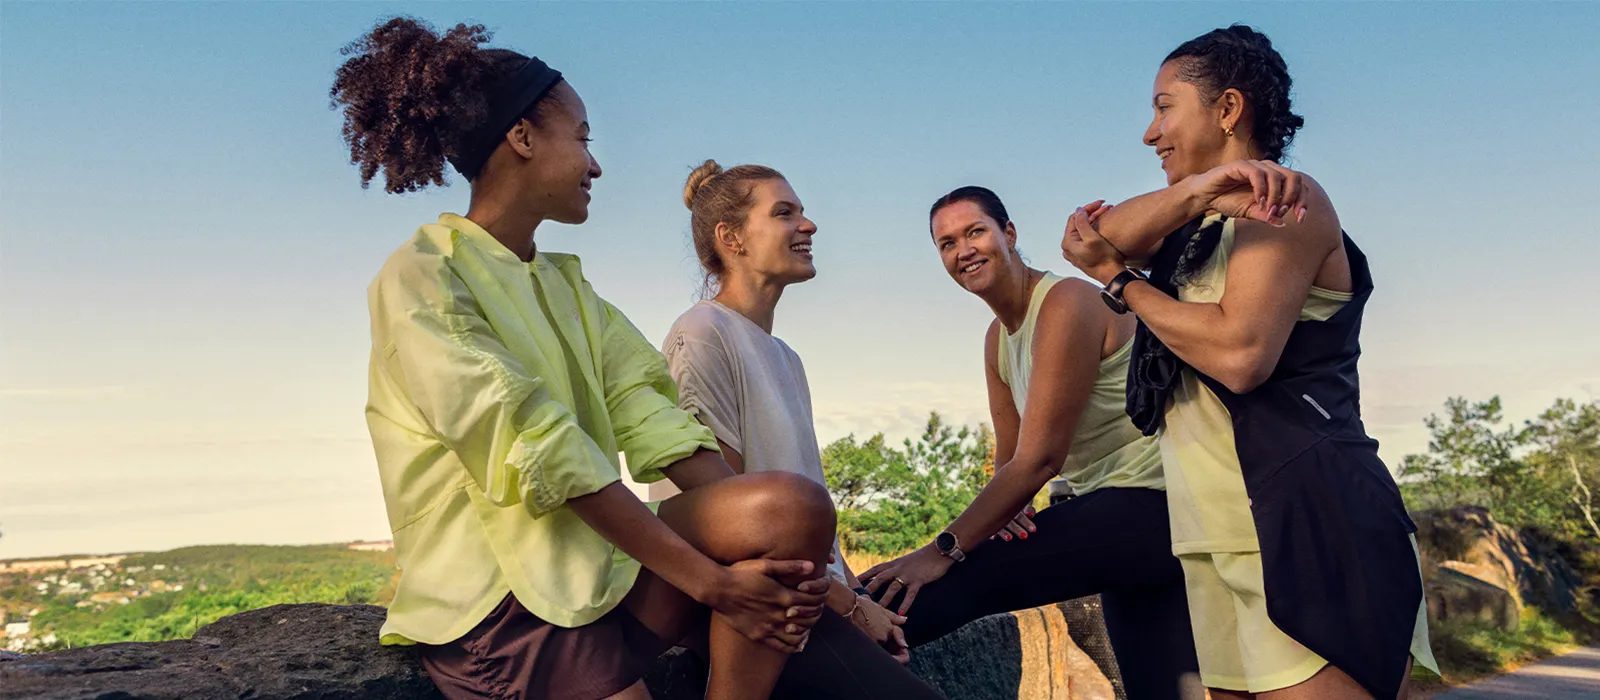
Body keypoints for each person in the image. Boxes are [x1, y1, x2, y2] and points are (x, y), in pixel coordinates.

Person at [333, 18, 838, 700]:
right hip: (504, 611)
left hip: (602, 578)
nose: (595, 165)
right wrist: (715, 582)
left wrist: (752, 533)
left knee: (789, 508)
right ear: (522, 137)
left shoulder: (568, 286)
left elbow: (653, 415)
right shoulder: (425, 276)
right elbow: (539, 444)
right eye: (583, 138)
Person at [1058, 24, 1440, 700]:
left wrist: (1123, 283)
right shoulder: (1196, 225)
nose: (1150, 132)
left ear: (1228, 109)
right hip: (1212, 537)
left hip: (1306, 527)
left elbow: (1240, 355)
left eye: (1165, 105)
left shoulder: (1289, 203)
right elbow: (1089, 237)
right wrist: (1202, 191)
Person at [858, 186, 1201, 700]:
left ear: (1009, 234)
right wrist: (1007, 508)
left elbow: (1040, 459)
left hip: (1156, 503)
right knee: (1162, 688)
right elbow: (1011, 459)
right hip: (1113, 517)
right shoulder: (999, 338)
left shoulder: (1067, 302)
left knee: (953, 579)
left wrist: (942, 548)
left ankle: (819, 645)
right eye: (947, 243)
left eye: (975, 231)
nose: (963, 250)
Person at [660, 160, 944, 698]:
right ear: (732, 238)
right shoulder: (702, 334)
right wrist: (851, 607)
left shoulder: (787, 358)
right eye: (784, 213)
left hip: (806, 589)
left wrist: (859, 595)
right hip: (754, 603)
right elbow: (730, 513)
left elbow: (812, 512)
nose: (808, 225)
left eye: (803, 212)